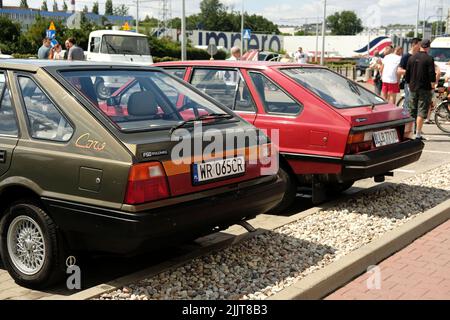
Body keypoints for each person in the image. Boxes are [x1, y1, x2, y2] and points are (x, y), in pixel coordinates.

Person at [405, 39, 436, 140]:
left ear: (420, 46)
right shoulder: (429, 58)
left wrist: (409, 85)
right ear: (428, 47)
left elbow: (407, 74)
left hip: (413, 87)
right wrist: (433, 86)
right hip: (425, 88)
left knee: (411, 110)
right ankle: (418, 134)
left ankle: (408, 133)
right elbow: (432, 74)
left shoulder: (411, 58)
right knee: (421, 110)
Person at [398, 38, 422, 111]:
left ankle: (413, 119)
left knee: (416, 103)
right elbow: (399, 70)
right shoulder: (406, 56)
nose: (421, 46)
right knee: (408, 101)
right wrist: (412, 72)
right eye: (419, 44)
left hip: (419, 83)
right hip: (409, 83)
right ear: (414, 45)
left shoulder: (420, 55)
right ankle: (405, 117)